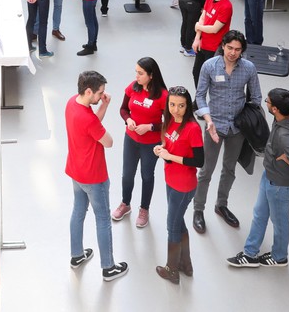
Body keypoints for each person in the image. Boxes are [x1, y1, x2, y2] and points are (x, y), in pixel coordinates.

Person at [226, 88, 289, 268]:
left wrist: (287, 158)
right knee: (259, 214)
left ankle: (279, 257)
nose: (266, 104)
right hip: (269, 176)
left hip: (280, 185)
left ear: (276, 109)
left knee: (279, 223)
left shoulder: (285, 135)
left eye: (268, 103)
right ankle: (250, 253)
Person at [192, 31, 261, 233]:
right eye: (229, 48)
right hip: (214, 125)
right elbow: (200, 97)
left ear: (242, 51)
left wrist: (246, 120)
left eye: (237, 49)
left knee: (229, 169)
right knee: (206, 171)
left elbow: (256, 98)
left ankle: (221, 205)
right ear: (223, 46)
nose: (233, 52)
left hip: (237, 129)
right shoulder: (209, 66)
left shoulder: (249, 68)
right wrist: (208, 120)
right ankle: (198, 209)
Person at [65, 70, 129, 281]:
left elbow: (92, 124)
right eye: (100, 93)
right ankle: (108, 267)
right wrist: (104, 113)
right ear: (89, 90)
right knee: (103, 219)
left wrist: (104, 105)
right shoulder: (88, 119)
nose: (102, 95)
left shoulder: (72, 104)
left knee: (78, 212)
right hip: (94, 176)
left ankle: (76, 255)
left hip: (76, 171)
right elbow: (108, 141)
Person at [150, 85, 204, 282]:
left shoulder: (192, 128)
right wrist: (162, 148)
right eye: (172, 104)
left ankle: (172, 269)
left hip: (183, 186)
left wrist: (170, 155)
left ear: (187, 106)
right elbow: (171, 144)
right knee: (178, 223)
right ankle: (185, 264)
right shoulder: (170, 122)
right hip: (171, 180)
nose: (175, 109)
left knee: (172, 227)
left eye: (181, 106)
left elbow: (199, 161)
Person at [111, 57, 168, 228]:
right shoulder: (132, 87)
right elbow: (123, 109)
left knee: (147, 175)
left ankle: (144, 209)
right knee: (127, 174)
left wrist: (150, 127)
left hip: (151, 143)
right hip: (131, 139)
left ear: (151, 75)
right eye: (136, 72)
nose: (136, 76)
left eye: (140, 73)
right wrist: (128, 120)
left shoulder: (163, 95)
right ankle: (125, 204)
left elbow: (170, 123)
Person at [191, 0, 232, 87]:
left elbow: (215, 29)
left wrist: (198, 27)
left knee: (212, 77)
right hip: (203, 44)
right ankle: (199, 98)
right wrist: (197, 38)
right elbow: (203, 16)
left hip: (214, 48)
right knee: (196, 72)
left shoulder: (226, 6)